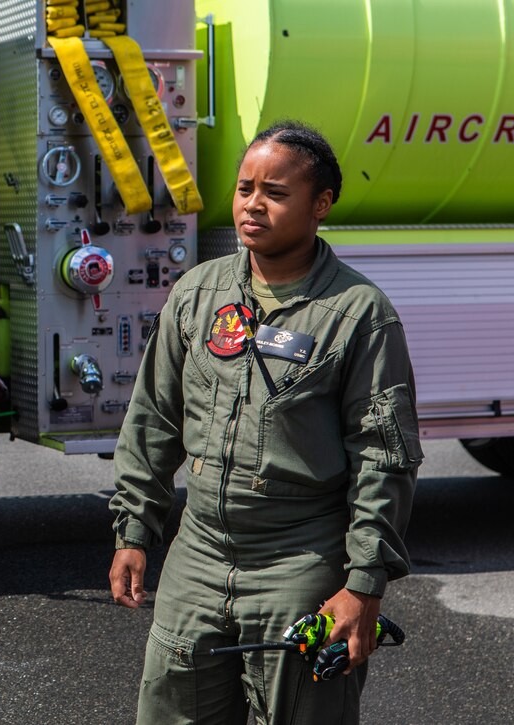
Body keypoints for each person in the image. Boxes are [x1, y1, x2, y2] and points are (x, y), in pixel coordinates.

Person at [107, 120, 421, 723]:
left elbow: (384, 457)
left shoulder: (359, 315)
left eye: (275, 193)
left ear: (320, 204)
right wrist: (133, 531)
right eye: (245, 187)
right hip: (196, 556)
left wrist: (363, 586)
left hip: (299, 562)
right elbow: (152, 418)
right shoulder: (199, 294)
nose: (253, 203)